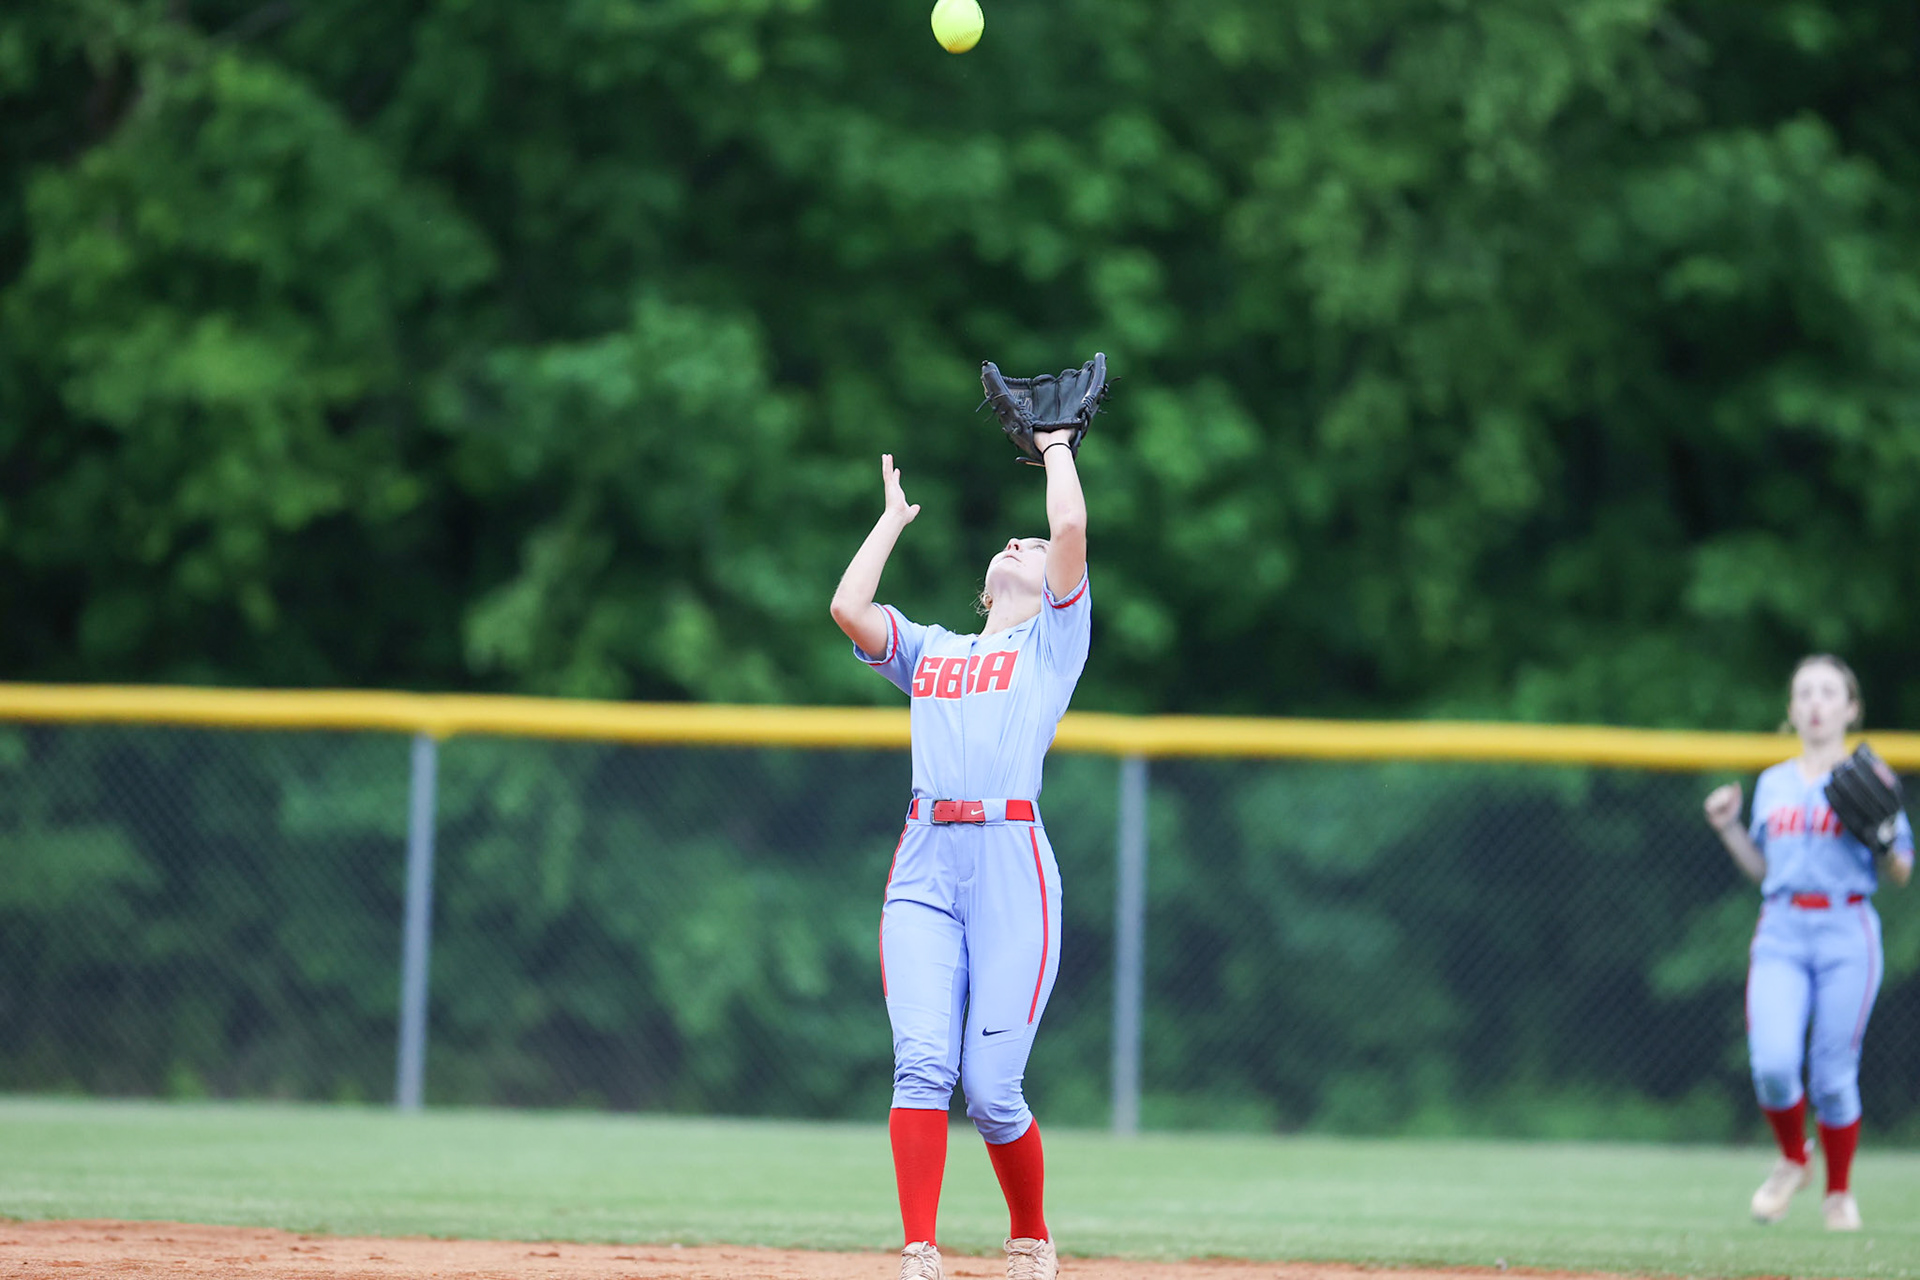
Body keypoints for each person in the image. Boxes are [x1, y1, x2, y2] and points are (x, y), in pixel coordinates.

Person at [829, 435, 1090, 1280]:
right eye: (1012, 542)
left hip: (1013, 863)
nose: (1025, 542)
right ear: (983, 585)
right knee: (922, 1065)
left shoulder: (1052, 648)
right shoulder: (934, 650)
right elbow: (848, 607)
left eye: (1036, 543)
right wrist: (890, 521)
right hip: (926, 864)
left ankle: (1030, 1236)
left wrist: (1055, 449)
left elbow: (1073, 521)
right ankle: (918, 1253)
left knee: (990, 1089)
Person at [1703, 654, 1912, 1231]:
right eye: (1805, 693)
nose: (1816, 703)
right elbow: (1762, 870)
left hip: (1847, 931)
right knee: (1772, 1064)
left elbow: (1901, 872)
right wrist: (1728, 828)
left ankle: (1839, 1194)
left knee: (1832, 1074)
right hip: (1782, 928)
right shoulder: (1772, 783)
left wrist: (1885, 836)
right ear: (1792, 711)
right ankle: (1794, 1159)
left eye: (1828, 692)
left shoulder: (1871, 777)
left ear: (1851, 708)